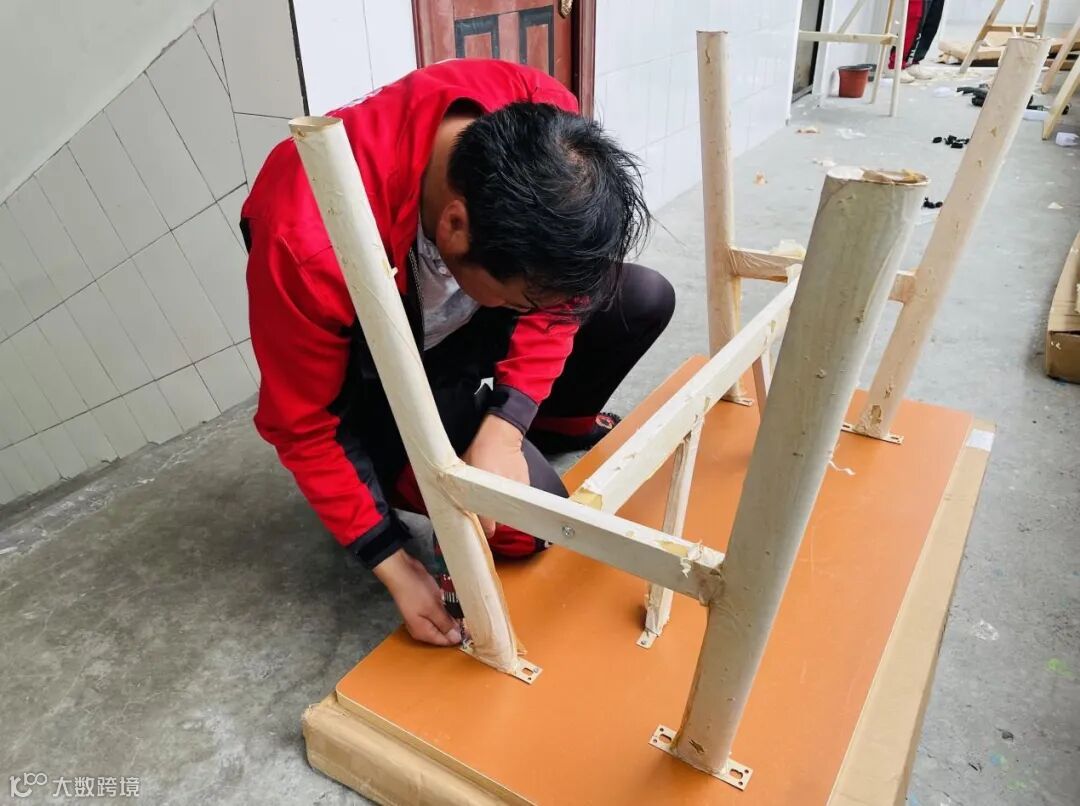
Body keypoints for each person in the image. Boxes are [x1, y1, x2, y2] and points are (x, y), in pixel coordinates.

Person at [241, 59, 674, 648]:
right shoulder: (309, 242)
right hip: (383, 372)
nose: (538, 311)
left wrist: (505, 427)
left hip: (457, 326)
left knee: (642, 299)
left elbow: (558, 303)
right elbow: (303, 423)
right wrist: (393, 562)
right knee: (526, 525)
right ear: (455, 226)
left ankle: (548, 423)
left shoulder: (544, 119)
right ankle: (395, 463)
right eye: (522, 301)